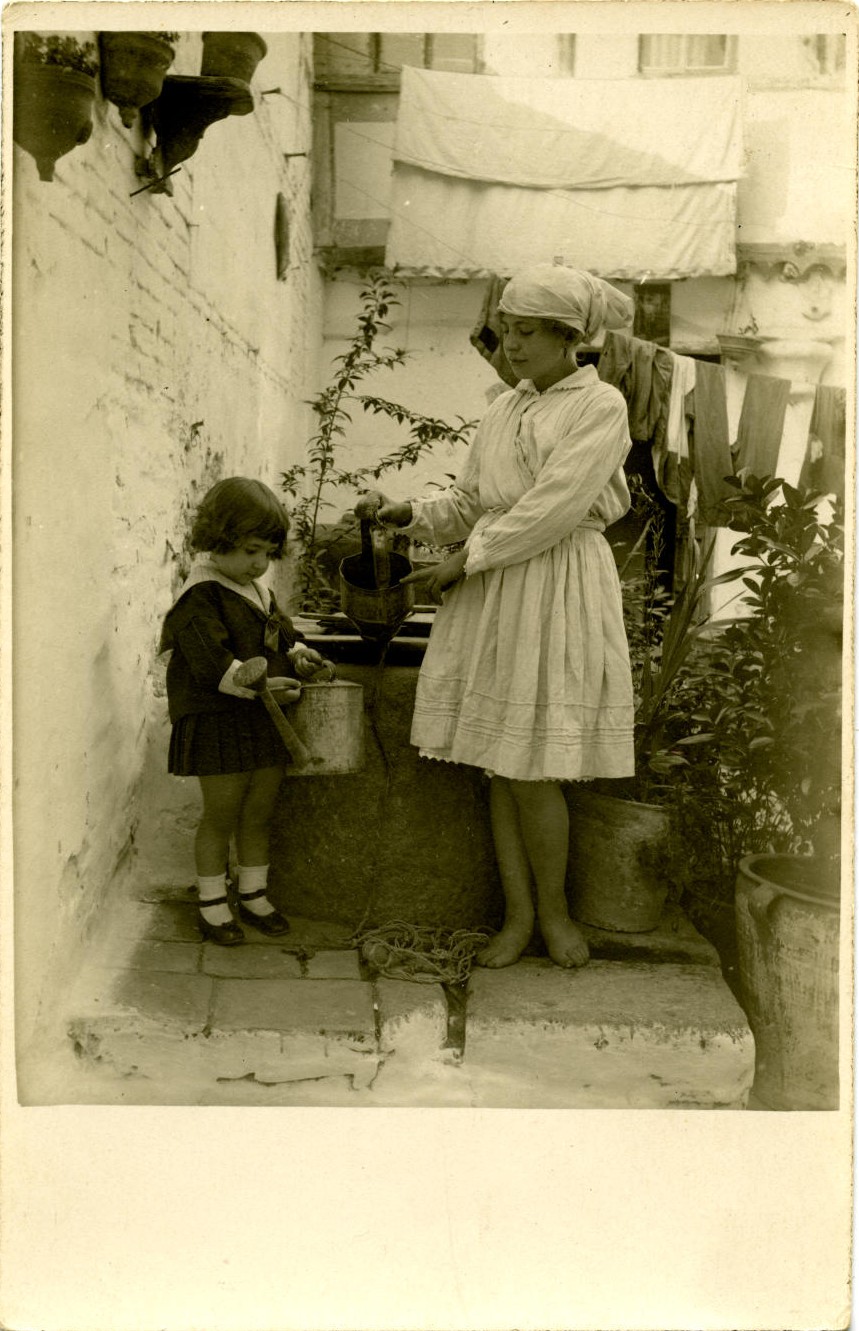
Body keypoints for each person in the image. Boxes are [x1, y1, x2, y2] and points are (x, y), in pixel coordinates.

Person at [356, 264, 636, 970]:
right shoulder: (505, 406)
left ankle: (555, 915)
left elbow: (552, 508)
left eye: (526, 331)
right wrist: (412, 512)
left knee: (534, 766)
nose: (511, 344)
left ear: (567, 336)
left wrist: (464, 560)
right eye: (506, 329)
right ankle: (517, 918)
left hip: (554, 580)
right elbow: (476, 497)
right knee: (502, 766)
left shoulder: (597, 406)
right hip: (498, 584)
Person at [160, 477, 330, 946]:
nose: (259, 563)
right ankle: (213, 905)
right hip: (218, 720)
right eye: (251, 550)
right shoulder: (200, 596)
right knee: (221, 814)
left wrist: (299, 655)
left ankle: (254, 895)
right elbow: (208, 662)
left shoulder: (254, 588)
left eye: (267, 553)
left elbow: (279, 633)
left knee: (258, 812)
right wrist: (259, 683)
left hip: (262, 718)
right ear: (219, 539)